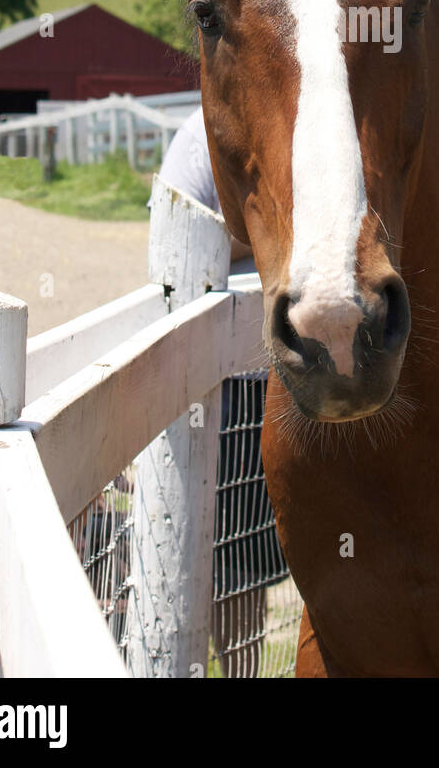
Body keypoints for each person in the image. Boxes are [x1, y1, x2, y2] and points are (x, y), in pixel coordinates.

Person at [157, 107, 287, 677]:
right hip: (224, 385)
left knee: (249, 567)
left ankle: (242, 671)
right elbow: (178, 237)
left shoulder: (283, 126)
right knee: (222, 565)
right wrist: (272, 233)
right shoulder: (195, 140)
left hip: (274, 381)